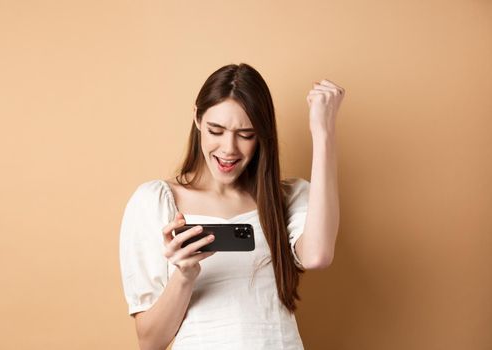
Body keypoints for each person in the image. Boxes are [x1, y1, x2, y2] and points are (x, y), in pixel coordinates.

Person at [119, 63, 344, 349]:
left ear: (262, 136)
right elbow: (150, 342)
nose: (229, 149)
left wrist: (323, 133)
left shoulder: (284, 198)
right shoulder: (155, 202)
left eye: (246, 134)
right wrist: (185, 275)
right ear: (197, 119)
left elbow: (317, 256)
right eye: (216, 130)